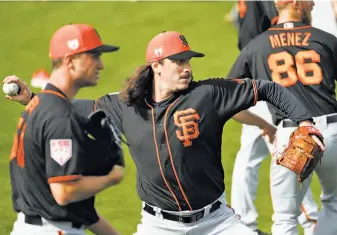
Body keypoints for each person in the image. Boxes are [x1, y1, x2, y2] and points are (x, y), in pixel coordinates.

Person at [5, 30, 323, 235]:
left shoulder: (209, 94)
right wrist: (31, 99)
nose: (187, 67)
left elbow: (267, 88)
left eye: (189, 60)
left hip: (216, 223)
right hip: (158, 226)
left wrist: (304, 121)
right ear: (157, 66)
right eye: (178, 61)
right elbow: (71, 108)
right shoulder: (125, 105)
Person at [228, 0, 337, 234]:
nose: (314, 4)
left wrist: (262, 124)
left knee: (285, 218)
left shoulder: (256, 46)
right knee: (335, 205)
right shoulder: (326, 40)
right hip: (331, 131)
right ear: (297, 3)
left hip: (290, 135)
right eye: (309, 1)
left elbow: (229, 102)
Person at [4, 24, 124, 235]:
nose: (101, 65)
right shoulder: (60, 117)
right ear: (70, 60)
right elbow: (64, 192)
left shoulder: (39, 105)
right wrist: (111, 178)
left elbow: (70, 206)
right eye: (94, 56)